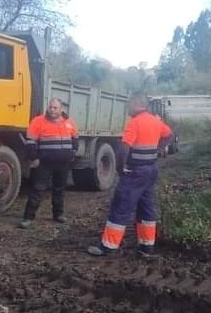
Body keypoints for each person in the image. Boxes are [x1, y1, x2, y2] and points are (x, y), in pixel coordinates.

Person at [88, 94, 173, 257]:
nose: (128, 108)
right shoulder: (155, 121)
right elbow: (169, 135)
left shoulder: (134, 123)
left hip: (135, 172)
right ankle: (147, 246)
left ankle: (108, 246)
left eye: (129, 105)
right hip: (151, 170)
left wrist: (120, 168)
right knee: (146, 208)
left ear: (136, 104)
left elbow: (124, 148)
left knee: (120, 206)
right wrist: (157, 149)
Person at [19, 98, 78, 229]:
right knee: (37, 189)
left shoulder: (69, 122)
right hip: (44, 163)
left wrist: (73, 153)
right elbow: (30, 142)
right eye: (50, 107)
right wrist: (34, 158)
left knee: (60, 189)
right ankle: (28, 217)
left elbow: (75, 139)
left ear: (61, 109)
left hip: (63, 163)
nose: (52, 110)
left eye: (55, 108)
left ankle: (58, 215)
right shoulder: (38, 121)